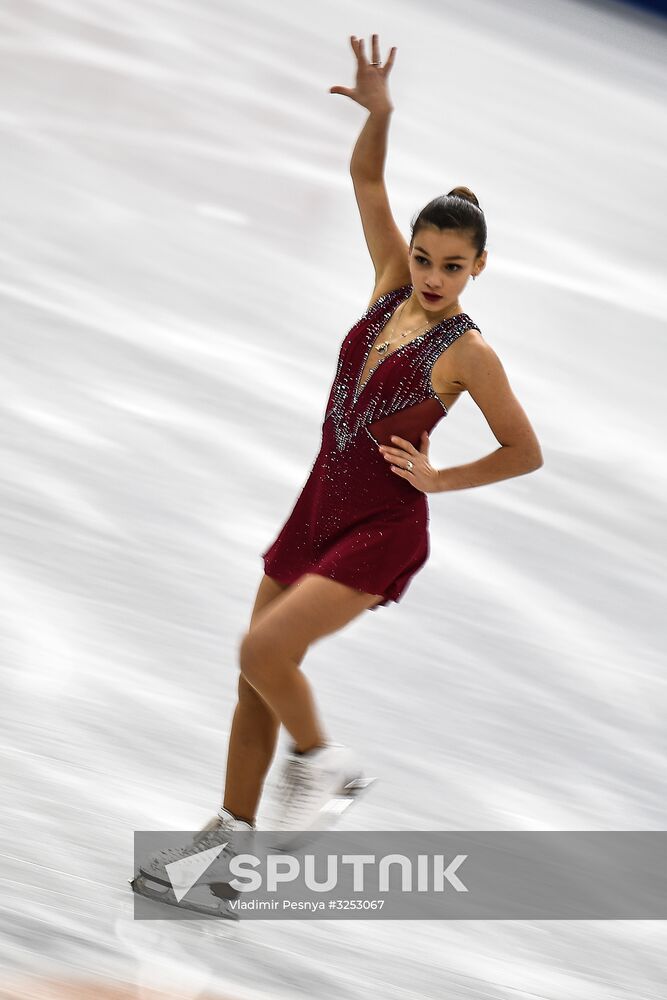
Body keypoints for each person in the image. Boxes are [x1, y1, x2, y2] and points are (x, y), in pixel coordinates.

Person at [134, 33, 543, 900]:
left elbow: (524, 449)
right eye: (427, 258)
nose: (433, 275)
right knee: (253, 677)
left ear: (479, 268)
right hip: (315, 505)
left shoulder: (470, 353)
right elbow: (366, 183)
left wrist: (440, 480)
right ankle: (222, 864)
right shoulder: (391, 283)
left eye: (452, 266)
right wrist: (380, 115)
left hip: (383, 528)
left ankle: (324, 764)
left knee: (263, 648)